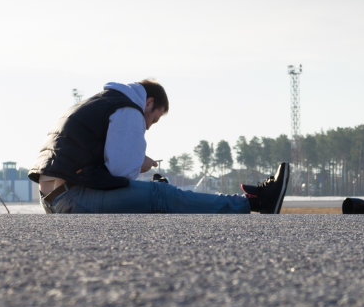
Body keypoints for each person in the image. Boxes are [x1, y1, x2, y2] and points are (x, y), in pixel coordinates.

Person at [29, 79, 289, 214]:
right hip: (70, 199)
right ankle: (253, 203)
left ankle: (249, 202)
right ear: (149, 103)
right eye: (152, 119)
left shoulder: (102, 102)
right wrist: (139, 162)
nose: (149, 126)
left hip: (54, 197)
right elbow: (121, 171)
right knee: (161, 196)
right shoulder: (128, 109)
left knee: (156, 194)